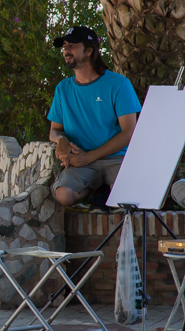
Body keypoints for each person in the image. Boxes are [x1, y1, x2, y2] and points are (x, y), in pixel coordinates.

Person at [47, 26, 141, 207]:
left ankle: (105, 189)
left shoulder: (118, 84)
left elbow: (129, 132)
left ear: (89, 50)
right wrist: (61, 140)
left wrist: (89, 157)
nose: (66, 50)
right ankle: (97, 188)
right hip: (82, 162)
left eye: (72, 46)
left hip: (117, 158)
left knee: (128, 200)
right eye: (65, 46)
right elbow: (55, 131)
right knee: (64, 195)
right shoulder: (63, 88)